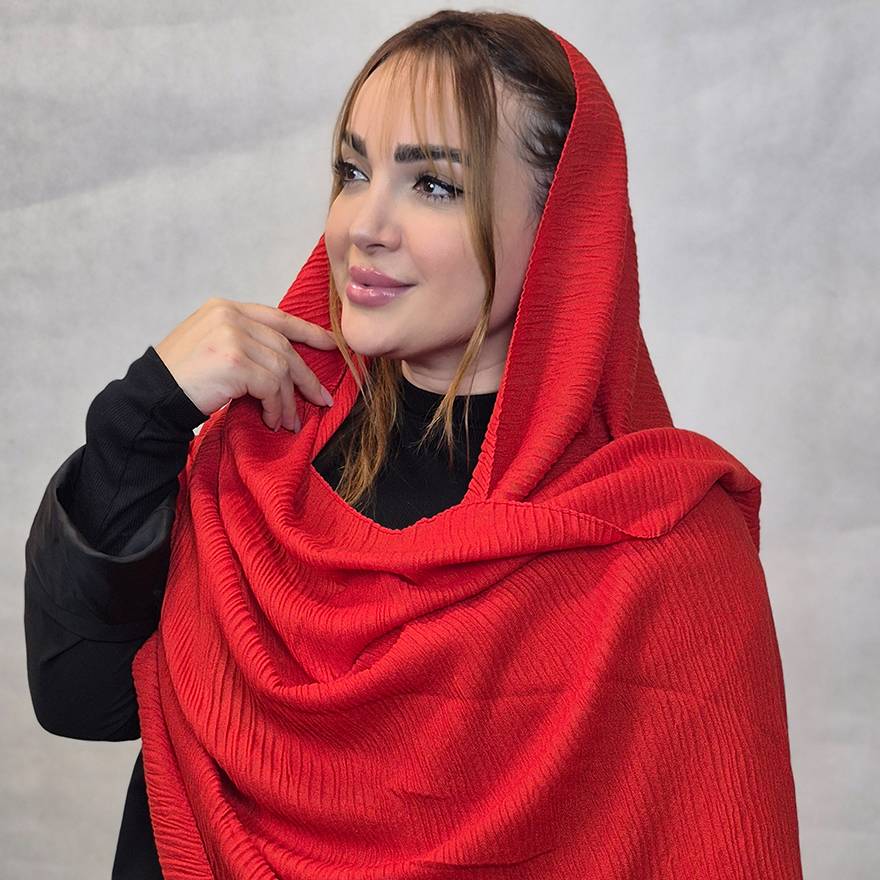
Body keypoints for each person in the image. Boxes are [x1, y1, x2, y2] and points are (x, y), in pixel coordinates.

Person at [24, 9, 804, 879]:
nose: (365, 223)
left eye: (433, 184)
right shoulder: (260, 459)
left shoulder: (663, 553)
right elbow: (78, 697)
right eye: (353, 171)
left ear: (561, 224)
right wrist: (145, 414)